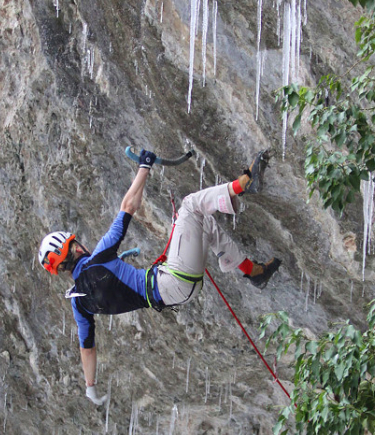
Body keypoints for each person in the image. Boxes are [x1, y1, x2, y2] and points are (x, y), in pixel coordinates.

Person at [38, 149, 281, 404]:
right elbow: (129, 206)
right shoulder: (99, 257)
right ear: (74, 247)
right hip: (171, 280)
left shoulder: (79, 303)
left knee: (202, 222)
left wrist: (91, 388)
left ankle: (252, 272)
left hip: (174, 293)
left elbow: (86, 348)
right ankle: (244, 183)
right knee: (190, 206)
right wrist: (145, 166)